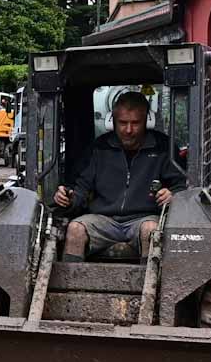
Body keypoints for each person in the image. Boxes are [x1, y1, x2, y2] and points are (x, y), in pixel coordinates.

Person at [51, 90, 186, 261]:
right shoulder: (99, 148)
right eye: (122, 123)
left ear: (148, 121)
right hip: (103, 219)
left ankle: (150, 286)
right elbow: (81, 188)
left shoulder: (163, 148)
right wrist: (68, 200)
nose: (128, 130)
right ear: (112, 121)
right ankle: (71, 286)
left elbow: (182, 187)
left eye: (135, 123)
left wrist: (172, 195)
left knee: (151, 230)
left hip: (144, 219)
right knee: (75, 229)